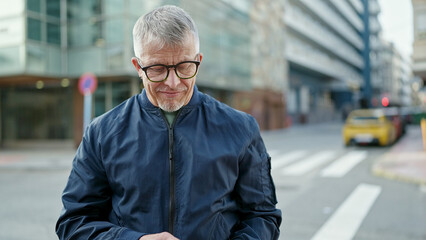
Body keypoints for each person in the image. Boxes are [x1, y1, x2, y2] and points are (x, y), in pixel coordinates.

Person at [56, 5, 281, 240]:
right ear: (138, 67)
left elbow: (263, 215)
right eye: (157, 68)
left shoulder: (241, 128)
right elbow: (74, 223)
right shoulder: (101, 133)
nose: (173, 83)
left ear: (198, 61)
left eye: (184, 67)